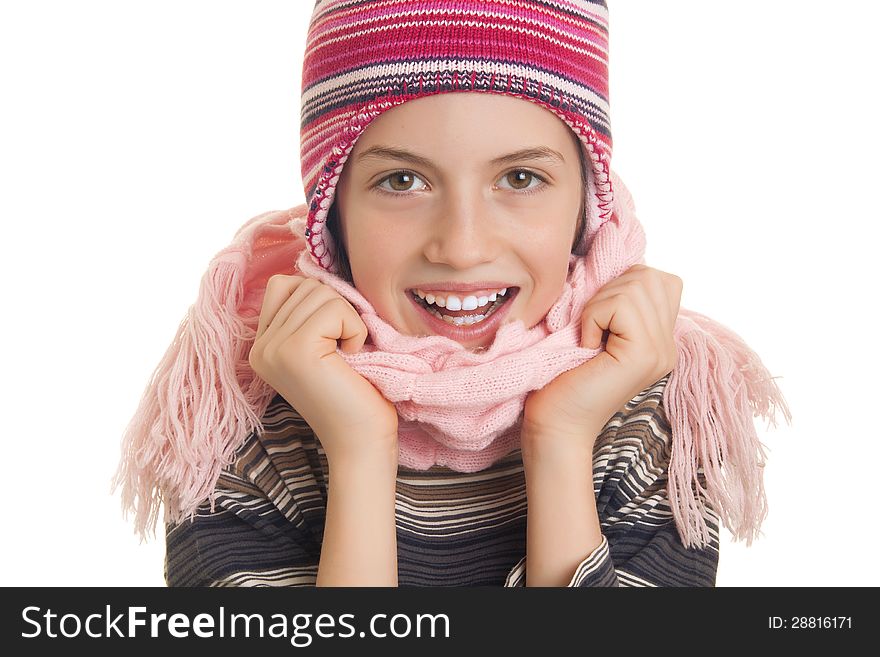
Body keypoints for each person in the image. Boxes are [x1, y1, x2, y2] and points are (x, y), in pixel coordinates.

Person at [114, 0, 791, 587]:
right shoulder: (239, 422)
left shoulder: (648, 415)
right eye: (403, 182)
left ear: (586, 203)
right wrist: (357, 449)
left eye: (521, 178)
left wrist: (560, 438)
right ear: (331, 212)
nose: (463, 246)